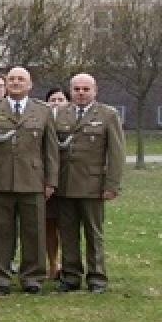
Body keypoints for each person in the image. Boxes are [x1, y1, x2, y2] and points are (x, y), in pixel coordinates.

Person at [0, 67, 59, 295]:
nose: (16, 82)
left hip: (33, 180)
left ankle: (32, 277)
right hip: (0, 180)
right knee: (0, 232)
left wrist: (51, 181)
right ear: (6, 84)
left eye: (20, 79)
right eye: (12, 79)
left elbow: (50, 150)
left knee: (34, 232)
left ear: (30, 84)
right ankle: (0, 278)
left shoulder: (43, 111)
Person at [54, 74, 124, 293]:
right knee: (67, 233)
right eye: (77, 89)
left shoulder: (107, 115)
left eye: (86, 89)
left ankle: (97, 277)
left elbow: (116, 153)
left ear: (95, 91)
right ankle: (71, 275)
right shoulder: (60, 114)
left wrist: (112, 185)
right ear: (71, 91)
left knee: (94, 233)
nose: (81, 93)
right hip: (65, 184)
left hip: (93, 185)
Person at [42, 87, 70, 280]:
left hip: (69, 181)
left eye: (61, 99)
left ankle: (69, 265)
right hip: (45, 181)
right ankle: (53, 263)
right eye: (53, 99)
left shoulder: (72, 121)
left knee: (67, 226)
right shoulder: (42, 121)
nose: (56, 103)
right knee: (49, 225)